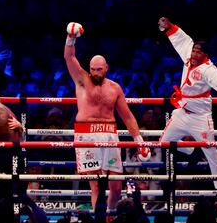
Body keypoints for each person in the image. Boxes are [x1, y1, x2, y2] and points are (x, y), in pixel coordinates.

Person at [63, 22, 151, 210]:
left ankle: (109, 216)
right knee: (95, 185)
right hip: (86, 135)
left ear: (106, 68)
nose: (95, 73)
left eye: (99, 69)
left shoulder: (114, 88)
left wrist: (139, 141)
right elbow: (69, 57)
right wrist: (70, 37)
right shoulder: (81, 80)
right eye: (93, 69)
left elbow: (127, 116)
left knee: (117, 186)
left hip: (110, 134)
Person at [157, 17, 217, 198]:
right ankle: (191, 149)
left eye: (198, 52)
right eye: (194, 51)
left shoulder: (208, 70)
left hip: (201, 116)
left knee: (211, 151)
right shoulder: (189, 55)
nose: (194, 54)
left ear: (205, 55)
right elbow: (183, 40)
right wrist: (169, 27)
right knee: (163, 142)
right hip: (182, 112)